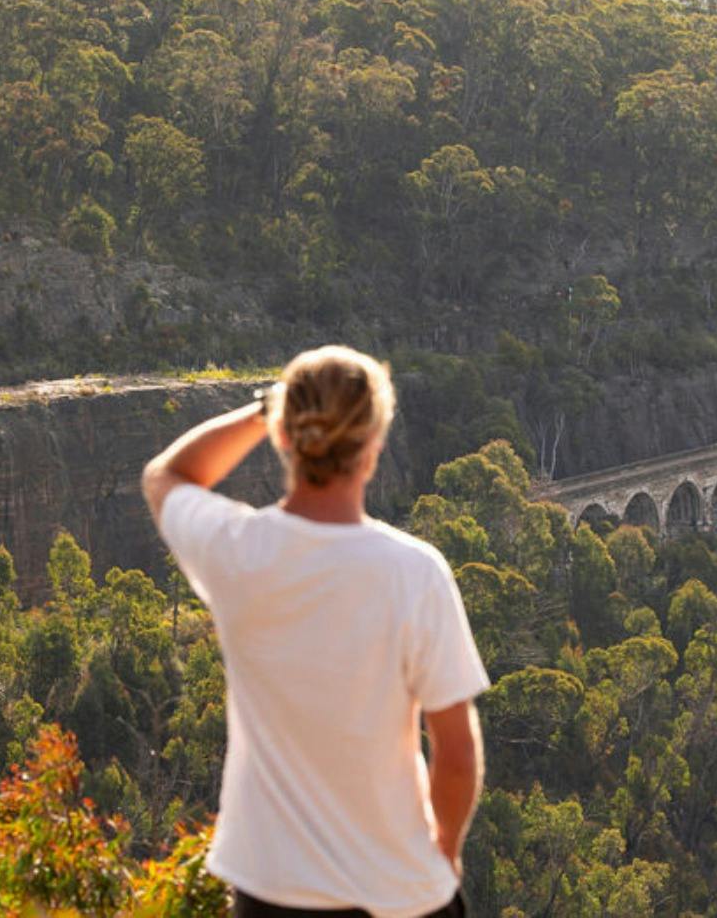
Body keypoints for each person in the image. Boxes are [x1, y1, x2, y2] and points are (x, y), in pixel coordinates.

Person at [141, 345, 489, 918]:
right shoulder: (414, 573)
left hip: (273, 891)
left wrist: (266, 406)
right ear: (374, 447)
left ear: (284, 436)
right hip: (398, 891)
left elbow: (168, 475)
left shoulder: (238, 552)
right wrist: (445, 850)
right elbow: (455, 748)